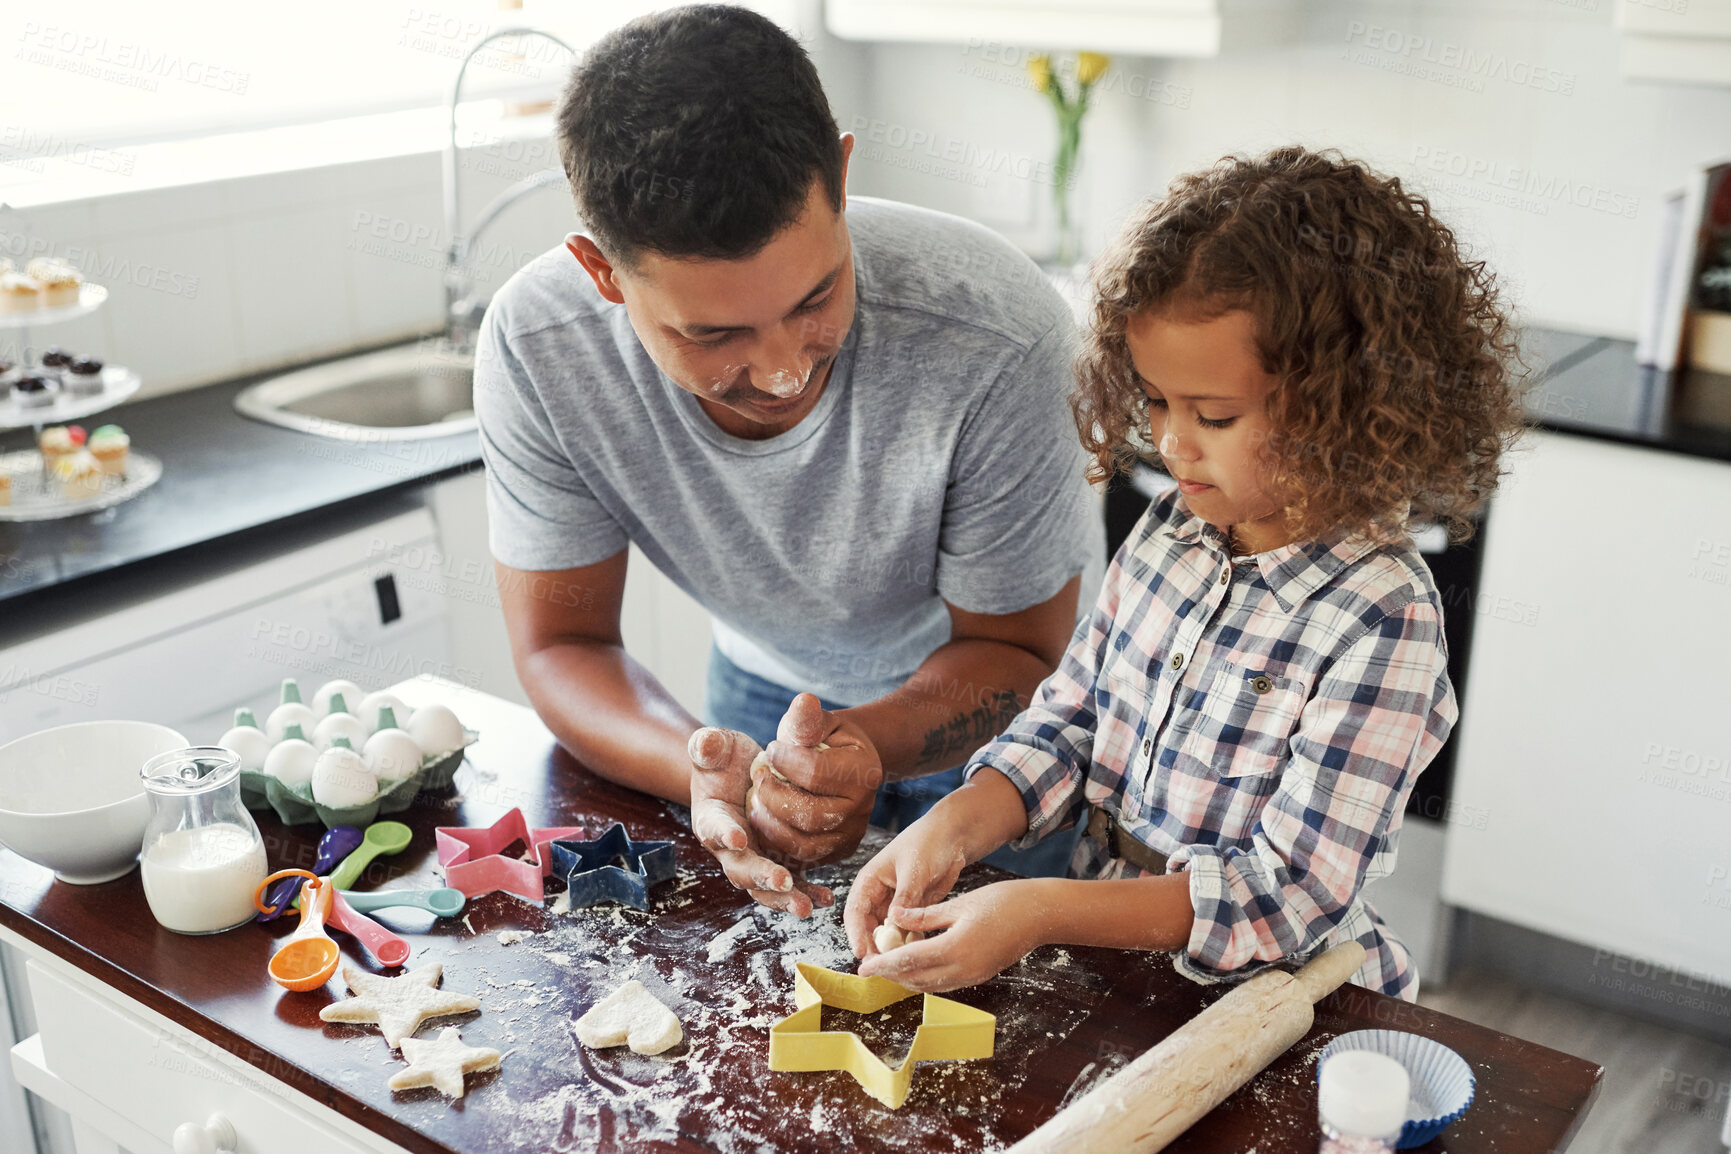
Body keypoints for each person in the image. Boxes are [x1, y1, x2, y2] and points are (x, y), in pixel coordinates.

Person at [843, 147, 1527, 999]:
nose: (1169, 444)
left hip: (1274, 1003)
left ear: (1341, 407)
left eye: (1213, 415)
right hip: (1119, 970)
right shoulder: (1176, 528)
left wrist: (1034, 913)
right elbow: (1073, 719)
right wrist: (952, 823)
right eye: (1155, 400)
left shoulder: (1380, 618)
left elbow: (1287, 894)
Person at [475, 5, 1102, 916]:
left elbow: (1016, 649)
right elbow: (562, 644)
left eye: (817, 296)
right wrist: (706, 772)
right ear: (602, 274)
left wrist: (857, 748)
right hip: (764, 702)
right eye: (714, 332)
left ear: (840, 177)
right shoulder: (539, 349)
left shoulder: (996, 334)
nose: (780, 371)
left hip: (1010, 744)